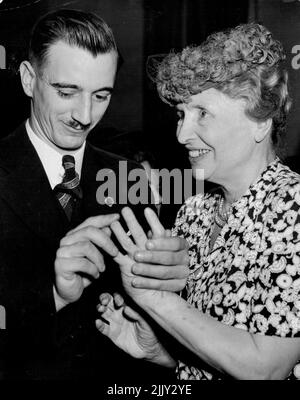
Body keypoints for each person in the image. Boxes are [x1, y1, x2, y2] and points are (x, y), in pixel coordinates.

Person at [96, 23, 300, 380]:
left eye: (202, 113)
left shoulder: (293, 206)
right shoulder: (194, 212)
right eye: (181, 114)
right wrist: (156, 353)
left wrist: (156, 301)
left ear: (260, 122)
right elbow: (212, 360)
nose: (181, 134)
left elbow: (266, 369)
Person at [0, 9, 189, 379]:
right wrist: (54, 295)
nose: (84, 116)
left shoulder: (128, 175)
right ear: (27, 79)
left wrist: (174, 280)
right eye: (66, 92)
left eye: (101, 96)